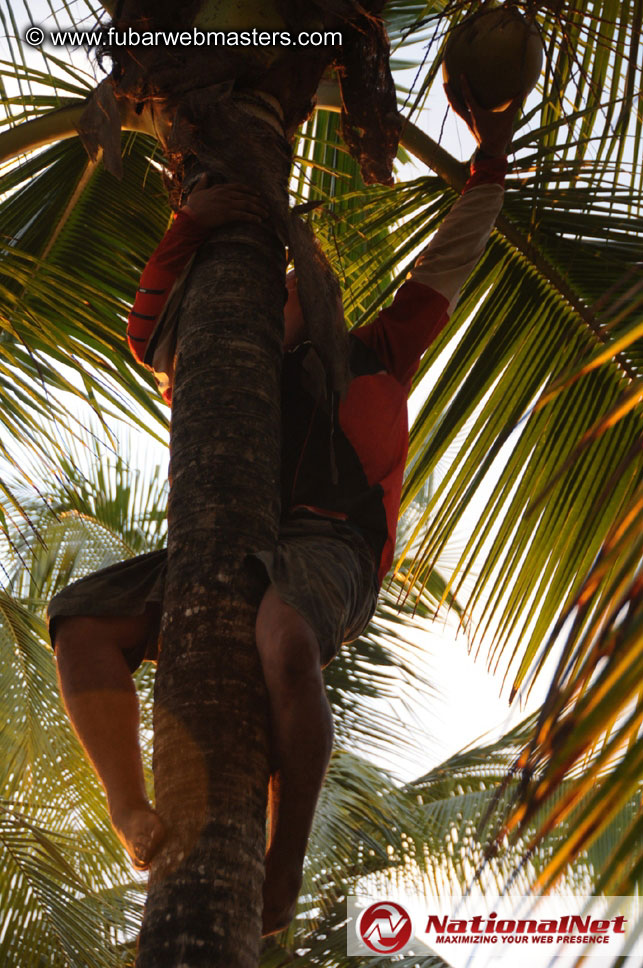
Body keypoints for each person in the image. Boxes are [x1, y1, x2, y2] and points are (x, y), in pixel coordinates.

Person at [48, 81, 519, 937]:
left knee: (283, 637)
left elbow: (454, 255)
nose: (268, 302)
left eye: (285, 290)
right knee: (80, 620)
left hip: (331, 542)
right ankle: (128, 809)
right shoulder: (220, 375)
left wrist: (489, 156)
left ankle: (284, 858)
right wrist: (192, 225)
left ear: (313, 296)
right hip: (230, 538)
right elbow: (148, 330)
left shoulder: (372, 351)